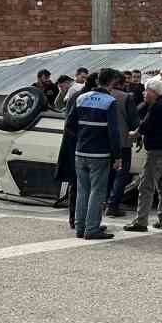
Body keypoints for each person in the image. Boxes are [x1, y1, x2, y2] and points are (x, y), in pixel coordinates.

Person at [63, 74, 120, 240]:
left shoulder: (81, 98)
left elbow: (69, 125)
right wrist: (117, 156)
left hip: (81, 151)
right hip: (100, 153)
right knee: (97, 191)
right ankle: (92, 228)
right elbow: (113, 132)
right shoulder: (109, 101)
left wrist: (81, 138)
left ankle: (80, 227)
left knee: (82, 190)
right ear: (111, 84)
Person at [126, 78, 162, 232]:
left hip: (158, 153)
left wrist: (132, 134)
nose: (144, 94)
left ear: (154, 92)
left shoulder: (158, 107)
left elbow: (144, 126)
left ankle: (141, 222)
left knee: (146, 186)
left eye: (146, 91)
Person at [56, 71, 93, 217]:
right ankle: (78, 219)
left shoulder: (76, 96)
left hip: (76, 147)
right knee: (80, 186)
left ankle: (77, 218)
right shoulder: (81, 97)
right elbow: (71, 124)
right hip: (80, 148)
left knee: (78, 185)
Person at [105, 71, 136, 217]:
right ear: (122, 84)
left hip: (105, 141)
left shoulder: (104, 95)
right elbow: (133, 121)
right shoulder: (126, 97)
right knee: (121, 174)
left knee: (107, 173)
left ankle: (102, 202)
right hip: (123, 141)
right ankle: (113, 205)